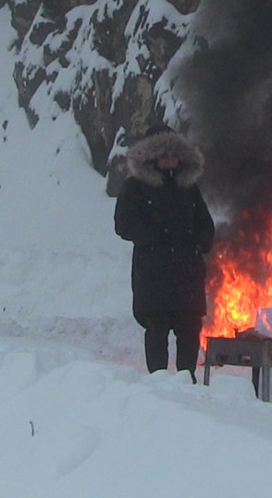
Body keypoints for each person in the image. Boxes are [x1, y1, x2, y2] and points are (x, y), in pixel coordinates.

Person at [114, 125, 215, 380]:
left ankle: (187, 378)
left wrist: (199, 243)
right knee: (156, 328)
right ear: (151, 157)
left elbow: (205, 224)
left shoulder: (188, 188)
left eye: (174, 154)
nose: (170, 160)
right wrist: (155, 238)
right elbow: (124, 224)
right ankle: (158, 381)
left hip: (187, 272)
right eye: (164, 154)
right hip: (153, 272)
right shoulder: (135, 187)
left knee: (190, 327)